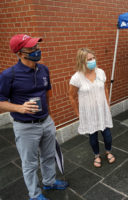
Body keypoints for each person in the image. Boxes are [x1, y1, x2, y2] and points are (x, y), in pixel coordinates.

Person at [0, 34, 68, 200]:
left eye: (36, 47)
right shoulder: (9, 75)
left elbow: (46, 94)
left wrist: (49, 116)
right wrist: (19, 108)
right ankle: (35, 194)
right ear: (20, 53)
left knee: (48, 155)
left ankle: (49, 182)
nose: (37, 50)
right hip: (25, 127)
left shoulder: (44, 69)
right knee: (29, 163)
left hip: (46, 121)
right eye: (32, 48)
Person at [69, 48, 115, 168]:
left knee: (107, 135)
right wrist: (78, 114)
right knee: (93, 137)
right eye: (89, 59)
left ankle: (108, 151)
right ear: (82, 61)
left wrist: (108, 105)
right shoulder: (76, 78)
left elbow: (104, 88)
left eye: (93, 58)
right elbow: (72, 97)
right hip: (88, 113)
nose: (92, 61)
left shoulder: (100, 72)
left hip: (102, 110)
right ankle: (96, 155)